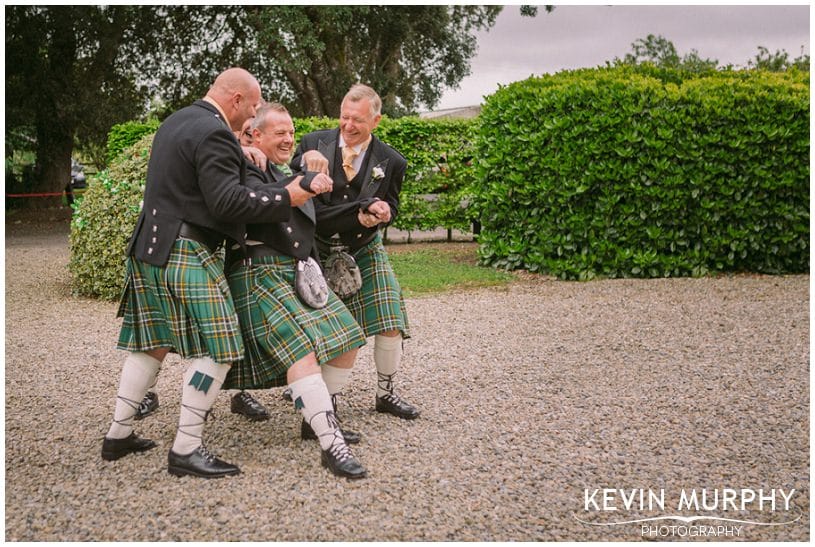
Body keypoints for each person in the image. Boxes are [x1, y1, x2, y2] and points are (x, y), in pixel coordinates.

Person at [101, 68, 309, 478]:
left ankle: (118, 435)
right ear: (235, 100)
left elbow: (194, 175)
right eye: (252, 108)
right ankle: (186, 448)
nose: (252, 119)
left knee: (151, 343)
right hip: (187, 247)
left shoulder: (178, 121)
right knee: (220, 346)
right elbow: (227, 203)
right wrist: (288, 196)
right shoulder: (214, 132)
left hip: (150, 246)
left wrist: (237, 149)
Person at [223, 102, 367, 479]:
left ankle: (312, 418)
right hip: (259, 271)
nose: (289, 138)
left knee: (348, 340)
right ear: (255, 135)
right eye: (279, 133)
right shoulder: (245, 168)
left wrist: (361, 211)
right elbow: (259, 201)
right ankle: (330, 442)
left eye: (291, 132)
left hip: (299, 270)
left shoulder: (291, 168)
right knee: (301, 353)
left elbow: (314, 214)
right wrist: (301, 183)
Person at [290, 84, 419, 420]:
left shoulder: (392, 161)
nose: (347, 125)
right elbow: (299, 193)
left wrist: (385, 213)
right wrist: (304, 161)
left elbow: (391, 204)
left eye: (357, 120)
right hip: (316, 249)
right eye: (344, 117)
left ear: (376, 121)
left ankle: (386, 392)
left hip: (364, 247)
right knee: (326, 327)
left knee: (390, 319)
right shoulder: (312, 145)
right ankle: (324, 402)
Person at [133, 116, 273, 423]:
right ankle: (157, 403)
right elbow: (222, 195)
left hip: (217, 251)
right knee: (173, 336)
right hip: (186, 244)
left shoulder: (243, 150)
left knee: (223, 333)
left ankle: (236, 394)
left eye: (251, 135)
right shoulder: (211, 133)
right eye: (245, 133)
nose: (248, 138)